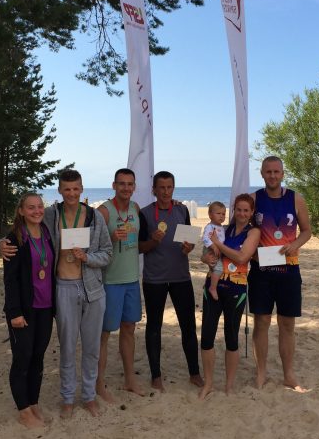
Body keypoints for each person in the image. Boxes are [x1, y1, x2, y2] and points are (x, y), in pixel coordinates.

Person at [0, 170, 112, 417]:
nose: (71, 193)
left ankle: (89, 396)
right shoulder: (50, 214)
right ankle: (68, 398)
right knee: (67, 348)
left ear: (82, 189)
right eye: (66, 189)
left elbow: (107, 253)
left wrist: (88, 258)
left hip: (93, 290)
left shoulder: (94, 217)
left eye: (76, 189)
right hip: (63, 288)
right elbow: (23, 229)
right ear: (60, 191)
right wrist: (2, 243)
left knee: (92, 348)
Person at [249, 156, 312, 392]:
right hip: (261, 271)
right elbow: (241, 230)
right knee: (261, 322)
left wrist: (295, 244)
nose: (273, 176)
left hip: (289, 270)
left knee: (287, 324)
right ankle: (261, 373)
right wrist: (251, 252)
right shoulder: (253, 199)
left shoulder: (296, 198)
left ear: (283, 174)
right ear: (262, 174)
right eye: (268, 172)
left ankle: (289, 374)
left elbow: (306, 231)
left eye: (276, 172)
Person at [138, 170, 203, 391]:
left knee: (188, 325)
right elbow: (140, 248)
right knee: (154, 326)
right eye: (162, 188)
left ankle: (194, 373)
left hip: (180, 277)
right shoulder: (145, 213)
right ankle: (156, 376)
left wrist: (189, 248)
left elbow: (189, 243)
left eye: (169, 187)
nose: (166, 192)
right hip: (154, 279)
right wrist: (153, 242)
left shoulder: (182, 210)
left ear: (173, 188)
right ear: (154, 190)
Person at [2, 193, 56, 428]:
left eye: (40, 206)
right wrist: (14, 312)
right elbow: (10, 280)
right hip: (23, 310)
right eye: (31, 207)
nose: (37, 211)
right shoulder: (13, 239)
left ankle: (33, 403)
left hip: (46, 307)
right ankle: (23, 411)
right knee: (22, 358)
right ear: (21, 211)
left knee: (38, 357)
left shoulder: (47, 232)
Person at [199, 194, 261, 399]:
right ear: (234, 210)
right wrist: (205, 258)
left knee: (231, 338)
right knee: (207, 336)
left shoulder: (253, 232)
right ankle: (208, 383)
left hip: (236, 290)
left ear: (251, 212)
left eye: (246, 210)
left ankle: (229, 386)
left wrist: (219, 244)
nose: (242, 213)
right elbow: (206, 252)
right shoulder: (224, 229)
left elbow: (242, 257)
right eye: (239, 209)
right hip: (213, 286)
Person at [95, 169, 145, 401]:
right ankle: (99, 384)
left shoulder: (135, 208)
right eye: (122, 184)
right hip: (110, 281)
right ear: (114, 185)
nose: (126, 188)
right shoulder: (104, 211)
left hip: (132, 279)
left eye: (130, 184)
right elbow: (91, 246)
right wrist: (112, 238)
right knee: (104, 334)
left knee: (129, 329)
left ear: (134, 186)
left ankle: (129, 380)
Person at [201, 201, 227, 301]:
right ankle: (212, 288)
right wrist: (213, 246)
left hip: (216, 250)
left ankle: (210, 284)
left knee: (213, 268)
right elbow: (205, 238)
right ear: (210, 215)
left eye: (223, 214)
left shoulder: (221, 227)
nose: (221, 216)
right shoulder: (210, 227)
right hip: (210, 250)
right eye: (218, 213)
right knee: (219, 268)